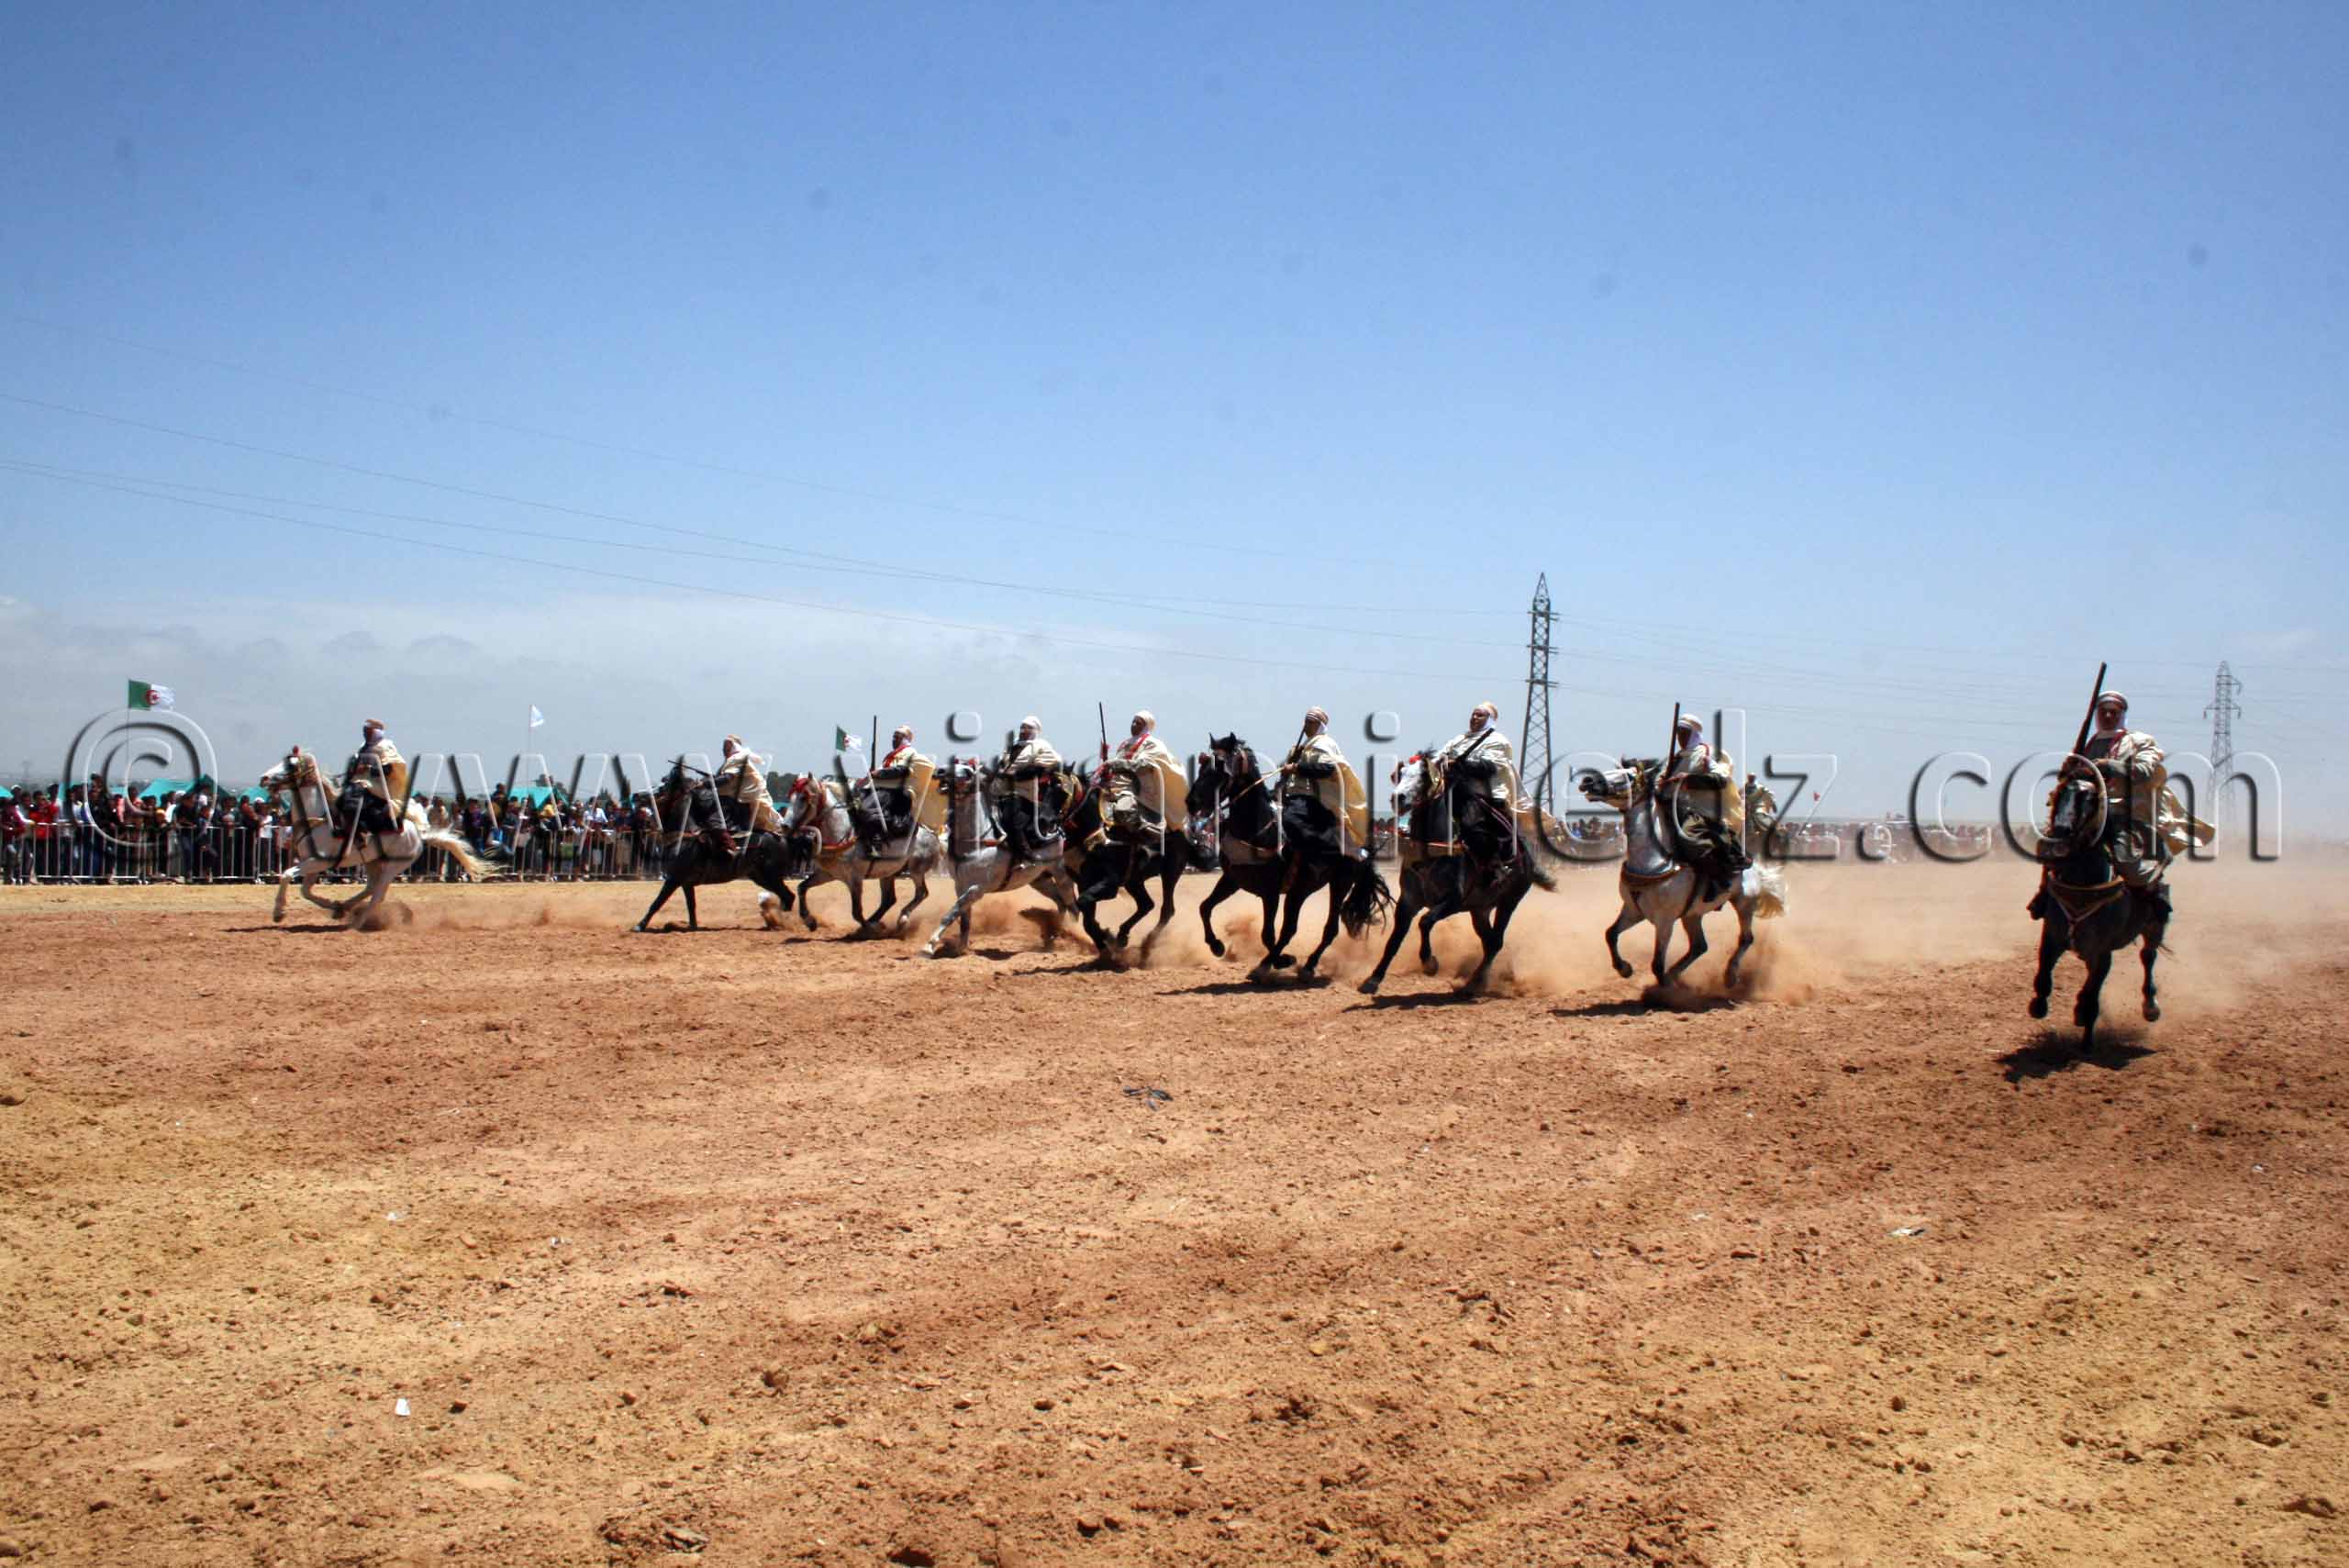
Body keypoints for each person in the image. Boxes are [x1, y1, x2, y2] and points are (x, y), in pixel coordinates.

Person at [2076, 690, 2206, 906]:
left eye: (2113, 712)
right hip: (2087, 817)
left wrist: (2110, 766)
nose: (2108, 716)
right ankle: (2045, 896)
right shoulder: (2087, 744)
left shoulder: (2140, 741)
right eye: (2103, 712)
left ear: (2122, 714)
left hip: (2124, 815)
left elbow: (2144, 771)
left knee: (2127, 864)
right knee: (2054, 851)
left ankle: (2154, 899)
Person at [1660, 714, 1749, 899]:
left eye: (1684, 733)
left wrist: (1688, 780)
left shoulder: (1709, 754)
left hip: (1702, 812)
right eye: (1678, 733)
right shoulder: (1675, 759)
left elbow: (1721, 780)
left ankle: (1718, 879)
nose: (1680, 738)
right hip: (1674, 808)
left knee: (1688, 837)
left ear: (1693, 734)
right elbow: (1664, 781)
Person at [1431, 701, 1520, 864]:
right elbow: (1438, 758)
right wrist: (1415, 765)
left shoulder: (1499, 741)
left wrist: (1456, 764)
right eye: (1473, 714)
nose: (1474, 717)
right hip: (1454, 792)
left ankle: (1496, 864)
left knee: (1472, 827)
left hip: (1484, 795)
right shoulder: (1459, 739)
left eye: (1480, 715)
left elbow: (1489, 767)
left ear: (1491, 719)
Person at [1277, 706, 1364, 861]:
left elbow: (1327, 769)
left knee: (1291, 818)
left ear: (1320, 726)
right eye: (1305, 722)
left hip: (1313, 797)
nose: (1306, 725)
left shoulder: (1325, 744)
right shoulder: (1299, 748)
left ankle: (1316, 854)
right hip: (1292, 795)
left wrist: (1296, 768)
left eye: (1310, 722)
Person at [1099, 710, 1185, 840]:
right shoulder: (1125, 744)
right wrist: (1107, 771)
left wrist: (1114, 764)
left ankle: (1147, 834)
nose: (1133, 725)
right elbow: (1115, 767)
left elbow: (1142, 765)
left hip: (1135, 790)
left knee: (1123, 809)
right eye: (1133, 722)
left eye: (1138, 723)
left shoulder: (1153, 744)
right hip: (1114, 788)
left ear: (1146, 726)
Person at [992, 717, 1063, 868]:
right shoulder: (1012, 747)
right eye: (1022, 727)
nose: (1024, 730)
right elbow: (1001, 767)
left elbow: (1052, 763)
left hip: (1024, 794)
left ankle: (1025, 856)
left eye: (1028, 728)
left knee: (1011, 816)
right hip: (1001, 793)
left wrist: (1019, 774)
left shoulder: (1041, 746)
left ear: (1036, 731)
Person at [856, 725, 933, 851]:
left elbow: (903, 770)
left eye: (897, 737)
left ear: (906, 738)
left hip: (893, 790)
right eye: (893, 737)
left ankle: (878, 837)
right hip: (879, 787)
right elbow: (882, 770)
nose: (893, 740)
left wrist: (879, 773)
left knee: (867, 809)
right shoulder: (891, 755)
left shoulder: (910, 752)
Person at [343, 718, 407, 840]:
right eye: (364, 732)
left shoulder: (385, 747)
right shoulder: (363, 747)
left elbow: (389, 770)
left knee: (356, 795)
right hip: (363, 781)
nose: (365, 735)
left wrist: (368, 769)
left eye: (368, 732)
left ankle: (363, 830)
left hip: (381, 784)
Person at [713, 735, 782, 837]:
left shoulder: (737, 758)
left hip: (745, 800)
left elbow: (727, 778)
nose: (723, 749)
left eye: (725, 746)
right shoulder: (731, 761)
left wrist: (705, 783)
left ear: (732, 745)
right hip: (739, 798)